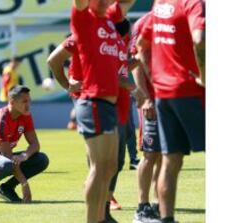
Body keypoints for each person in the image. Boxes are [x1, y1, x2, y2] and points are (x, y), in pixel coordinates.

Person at [136, 0, 205, 222]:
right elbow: (199, 39)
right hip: (190, 91)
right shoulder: (193, 4)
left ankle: (166, 218)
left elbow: (141, 44)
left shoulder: (160, 4)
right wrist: (204, 75)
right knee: (156, 157)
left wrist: (155, 80)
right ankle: (146, 207)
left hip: (164, 94)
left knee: (170, 160)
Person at [70, 1, 138, 222]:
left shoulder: (109, 18)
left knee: (109, 168)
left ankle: (100, 217)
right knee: (100, 169)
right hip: (93, 103)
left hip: (109, 104)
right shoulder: (84, 18)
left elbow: (127, 2)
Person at [0, 85, 49, 203]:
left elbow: (35, 145)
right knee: (6, 164)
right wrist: (24, 183)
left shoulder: (25, 116)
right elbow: (7, 157)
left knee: (41, 159)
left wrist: (25, 156)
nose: (28, 105)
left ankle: (6, 188)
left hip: (4, 157)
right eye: (24, 101)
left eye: (29, 101)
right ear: (12, 101)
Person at [130, 12, 162, 223]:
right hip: (152, 100)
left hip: (172, 99)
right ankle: (142, 206)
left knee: (167, 154)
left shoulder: (180, 18)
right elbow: (136, 64)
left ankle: (160, 204)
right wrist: (145, 97)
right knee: (150, 154)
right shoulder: (146, 22)